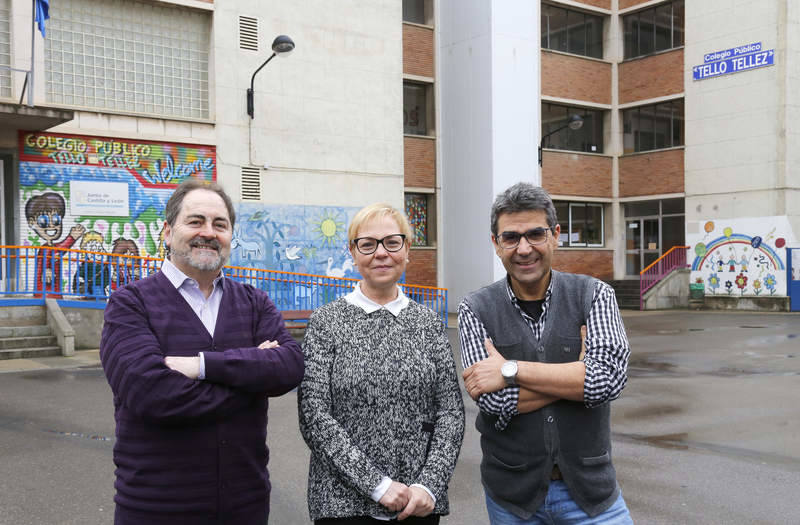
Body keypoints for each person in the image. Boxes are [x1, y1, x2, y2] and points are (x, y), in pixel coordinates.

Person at [99, 178, 304, 525]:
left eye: (219, 224)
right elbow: (152, 394)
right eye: (195, 221)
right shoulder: (130, 304)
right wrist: (252, 380)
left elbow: (290, 366)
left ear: (230, 237)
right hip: (155, 510)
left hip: (246, 508)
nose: (208, 232)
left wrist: (203, 366)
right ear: (167, 231)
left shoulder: (254, 302)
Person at [459, 182, 633, 524]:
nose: (524, 248)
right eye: (511, 237)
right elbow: (494, 403)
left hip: (591, 495)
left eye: (535, 234)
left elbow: (606, 382)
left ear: (555, 235)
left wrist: (508, 370)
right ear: (496, 244)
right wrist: (575, 376)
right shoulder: (475, 309)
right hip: (513, 498)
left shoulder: (595, 295)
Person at [298, 203, 465, 524]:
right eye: (368, 244)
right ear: (352, 252)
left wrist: (429, 485)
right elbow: (313, 416)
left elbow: (450, 413)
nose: (381, 253)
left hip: (417, 504)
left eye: (392, 242)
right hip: (342, 505)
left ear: (407, 250)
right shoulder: (326, 322)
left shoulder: (428, 323)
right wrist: (377, 484)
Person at [25, 191, 85, 297]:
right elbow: (58, 250)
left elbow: (59, 249)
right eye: (43, 221)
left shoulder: (52, 247)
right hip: (46, 290)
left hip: (53, 289)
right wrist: (71, 238)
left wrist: (72, 238)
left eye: (56, 220)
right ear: (31, 223)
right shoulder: (45, 249)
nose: (52, 226)